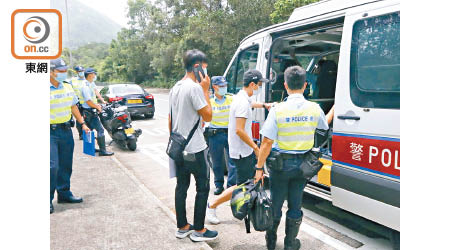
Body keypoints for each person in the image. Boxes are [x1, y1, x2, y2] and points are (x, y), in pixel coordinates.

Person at [254, 66, 329, 250]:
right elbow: (324, 128)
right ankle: (291, 243)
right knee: (296, 204)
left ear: (285, 85)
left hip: (281, 166)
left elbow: (266, 142)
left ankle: (271, 241)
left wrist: (259, 168)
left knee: (276, 203)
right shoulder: (315, 108)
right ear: (305, 85)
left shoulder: (278, 110)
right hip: (303, 166)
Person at [206, 69, 272, 225]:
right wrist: (256, 148)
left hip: (242, 150)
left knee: (246, 184)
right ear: (252, 84)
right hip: (242, 151)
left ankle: (245, 208)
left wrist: (265, 105)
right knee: (242, 186)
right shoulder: (241, 102)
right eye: (259, 84)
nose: (260, 87)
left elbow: (252, 103)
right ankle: (212, 205)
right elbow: (239, 130)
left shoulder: (242, 97)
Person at [169, 49, 218, 242]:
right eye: (205, 69)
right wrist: (206, 90)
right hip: (196, 148)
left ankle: (182, 227)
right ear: (197, 67)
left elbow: (170, 119)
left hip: (178, 147)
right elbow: (208, 116)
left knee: (181, 186)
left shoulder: (176, 87)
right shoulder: (195, 88)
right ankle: (199, 230)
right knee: (203, 188)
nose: (207, 74)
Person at [50, 58, 90, 214]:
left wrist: (83, 123)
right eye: (60, 71)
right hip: (49, 132)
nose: (63, 73)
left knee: (66, 164)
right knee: (52, 166)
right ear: (51, 72)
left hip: (66, 130)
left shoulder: (67, 87)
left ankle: (64, 194)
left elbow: (73, 106)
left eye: (64, 70)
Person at [207, 76, 237, 196]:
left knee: (232, 161)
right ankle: (219, 185)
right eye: (221, 86)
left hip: (230, 133)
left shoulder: (231, 99)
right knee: (217, 162)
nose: (224, 88)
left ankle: (230, 186)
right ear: (214, 87)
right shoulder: (209, 101)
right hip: (215, 134)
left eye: (225, 85)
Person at [81, 68, 113, 156]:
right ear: (90, 75)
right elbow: (88, 101)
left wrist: (102, 100)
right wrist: (97, 107)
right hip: (89, 111)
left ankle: (90, 149)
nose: (95, 75)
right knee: (100, 130)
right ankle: (103, 151)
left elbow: (96, 92)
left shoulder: (91, 83)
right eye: (94, 74)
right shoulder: (85, 86)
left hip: (89, 110)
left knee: (90, 130)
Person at [71, 65, 86, 140]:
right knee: (79, 119)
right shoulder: (72, 80)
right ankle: (81, 134)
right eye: (80, 72)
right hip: (77, 103)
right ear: (77, 72)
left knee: (88, 119)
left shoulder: (87, 79)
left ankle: (88, 133)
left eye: (82, 71)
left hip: (87, 103)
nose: (81, 73)